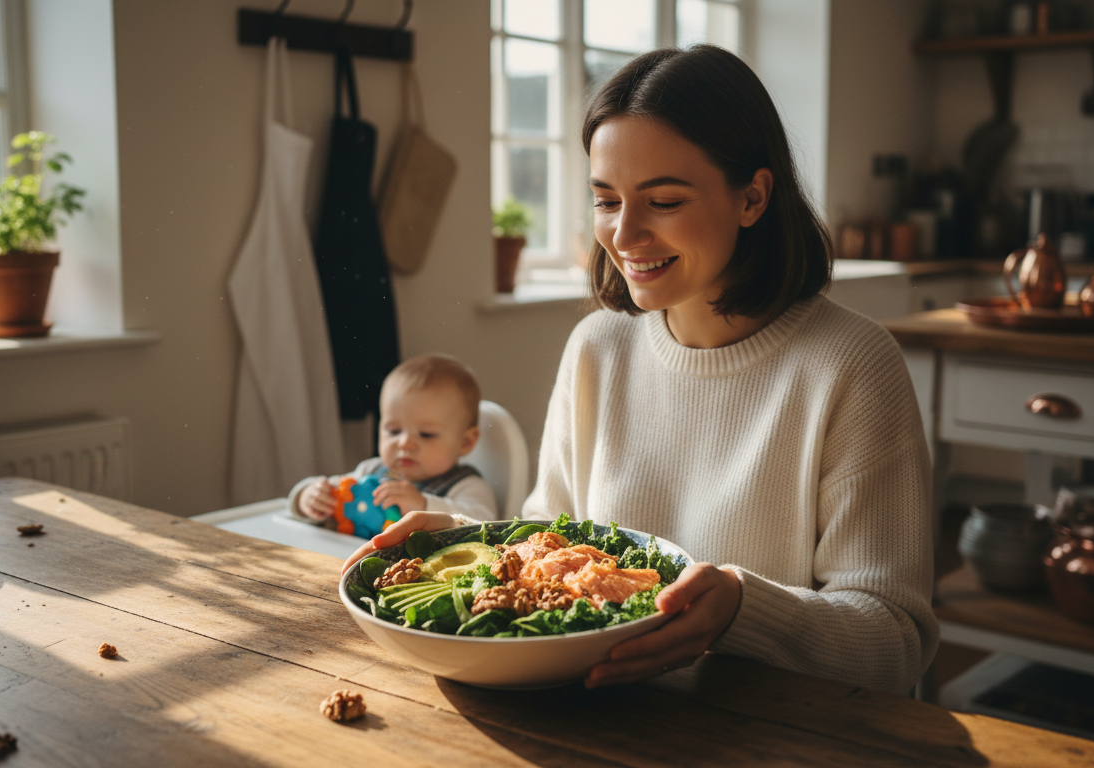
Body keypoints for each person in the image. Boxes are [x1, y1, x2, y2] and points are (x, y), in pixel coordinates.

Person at [345, 45, 937, 695]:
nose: (625, 235)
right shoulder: (597, 347)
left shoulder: (853, 367)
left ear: (753, 197)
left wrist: (740, 609)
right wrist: (470, 544)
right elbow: (551, 550)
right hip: (594, 725)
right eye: (606, 200)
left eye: (663, 202)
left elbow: (897, 645)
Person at [291, 353, 497, 527]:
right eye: (393, 430)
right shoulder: (371, 471)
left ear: (465, 442)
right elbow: (334, 490)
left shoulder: (466, 486)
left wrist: (423, 505)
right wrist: (308, 497)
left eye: (426, 434)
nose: (404, 443)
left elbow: (485, 524)